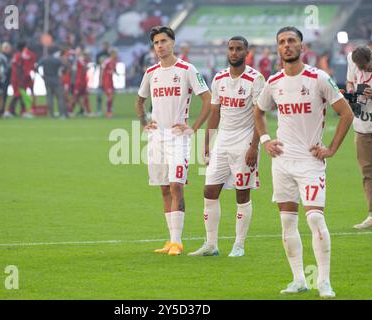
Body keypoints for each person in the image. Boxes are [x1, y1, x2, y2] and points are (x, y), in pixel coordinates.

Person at [254, 26, 353, 298]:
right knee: (287, 223)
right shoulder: (273, 82)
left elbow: (346, 114)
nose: (287, 46)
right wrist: (265, 140)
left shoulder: (318, 78)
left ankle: (324, 281)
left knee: (315, 220)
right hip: (282, 161)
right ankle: (298, 279)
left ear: (302, 47)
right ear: (278, 48)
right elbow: (258, 111)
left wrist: (331, 148)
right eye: (282, 42)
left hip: (310, 162)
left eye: (292, 41)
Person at [136, 26, 211, 256]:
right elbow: (139, 101)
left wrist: (193, 127)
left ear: (173, 43)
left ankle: (178, 241)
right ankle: (170, 241)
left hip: (178, 137)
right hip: (157, 137)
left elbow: (208, 100)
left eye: (164, 41)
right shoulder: (151, 72)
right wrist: (143, 122)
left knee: (177, 185)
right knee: (164, 189)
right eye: (156, 42)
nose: (160, 45)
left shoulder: (187, 69)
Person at [188, 36, 265, 257]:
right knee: (209, 190)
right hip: (222, 142)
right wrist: (207, 142)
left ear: (246, 52)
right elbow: (215, 112)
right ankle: (211, 244)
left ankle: (239, 245)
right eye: (231, 49)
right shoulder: (219, 77)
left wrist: (253, 147)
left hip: (244, 143)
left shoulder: (255, 79)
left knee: (242, 194)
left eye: (239, 49)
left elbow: (259, 115)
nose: (234, 52)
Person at [347, 45, 372, 231]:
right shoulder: (351, 59)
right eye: (360, 68)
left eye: (366, 67)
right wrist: (351, 96)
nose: (363, 70)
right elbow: (349, 82)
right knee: (367, 171)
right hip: (362, 124)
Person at [38, 46, 67, 119]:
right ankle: (62, 114)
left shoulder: (44, 59)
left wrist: (41, 75)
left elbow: (37, 67)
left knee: (49, 98)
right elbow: (64, 67)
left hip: (47, 79)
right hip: (56, 79)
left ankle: (51, 115)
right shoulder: (56, 60)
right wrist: (62, 73)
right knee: (60, 98)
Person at [71, 48, 91, 116]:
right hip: (79, 82)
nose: (89, 57)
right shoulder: (81, 60)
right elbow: (84, 68)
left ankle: (87, 111)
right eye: (88, 55)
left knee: (84, 96)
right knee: (75, 96)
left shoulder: (82, 61)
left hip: (83, 81)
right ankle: (70, 111)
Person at [101, 49, 118, 118]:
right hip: (106, 81)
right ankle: (108, 112)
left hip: (111, 81)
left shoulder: (114, 62)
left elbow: (114, 70)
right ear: (112, 54)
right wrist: (101, 81)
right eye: (115, 53)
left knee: (112, 96)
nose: (117, 55)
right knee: (110, 96)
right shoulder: (107, 61)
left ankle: (109, 109)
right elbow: (102, 70)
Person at [95, 41, 110, 116]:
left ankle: (108, 109)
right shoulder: (99, 55)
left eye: (106, 45)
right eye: (104, 45)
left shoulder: (109, 54)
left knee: (109, 95)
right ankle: (99, 109)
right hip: (101, 77)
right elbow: (98, 67)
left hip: (107, 78)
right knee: (99, 94)